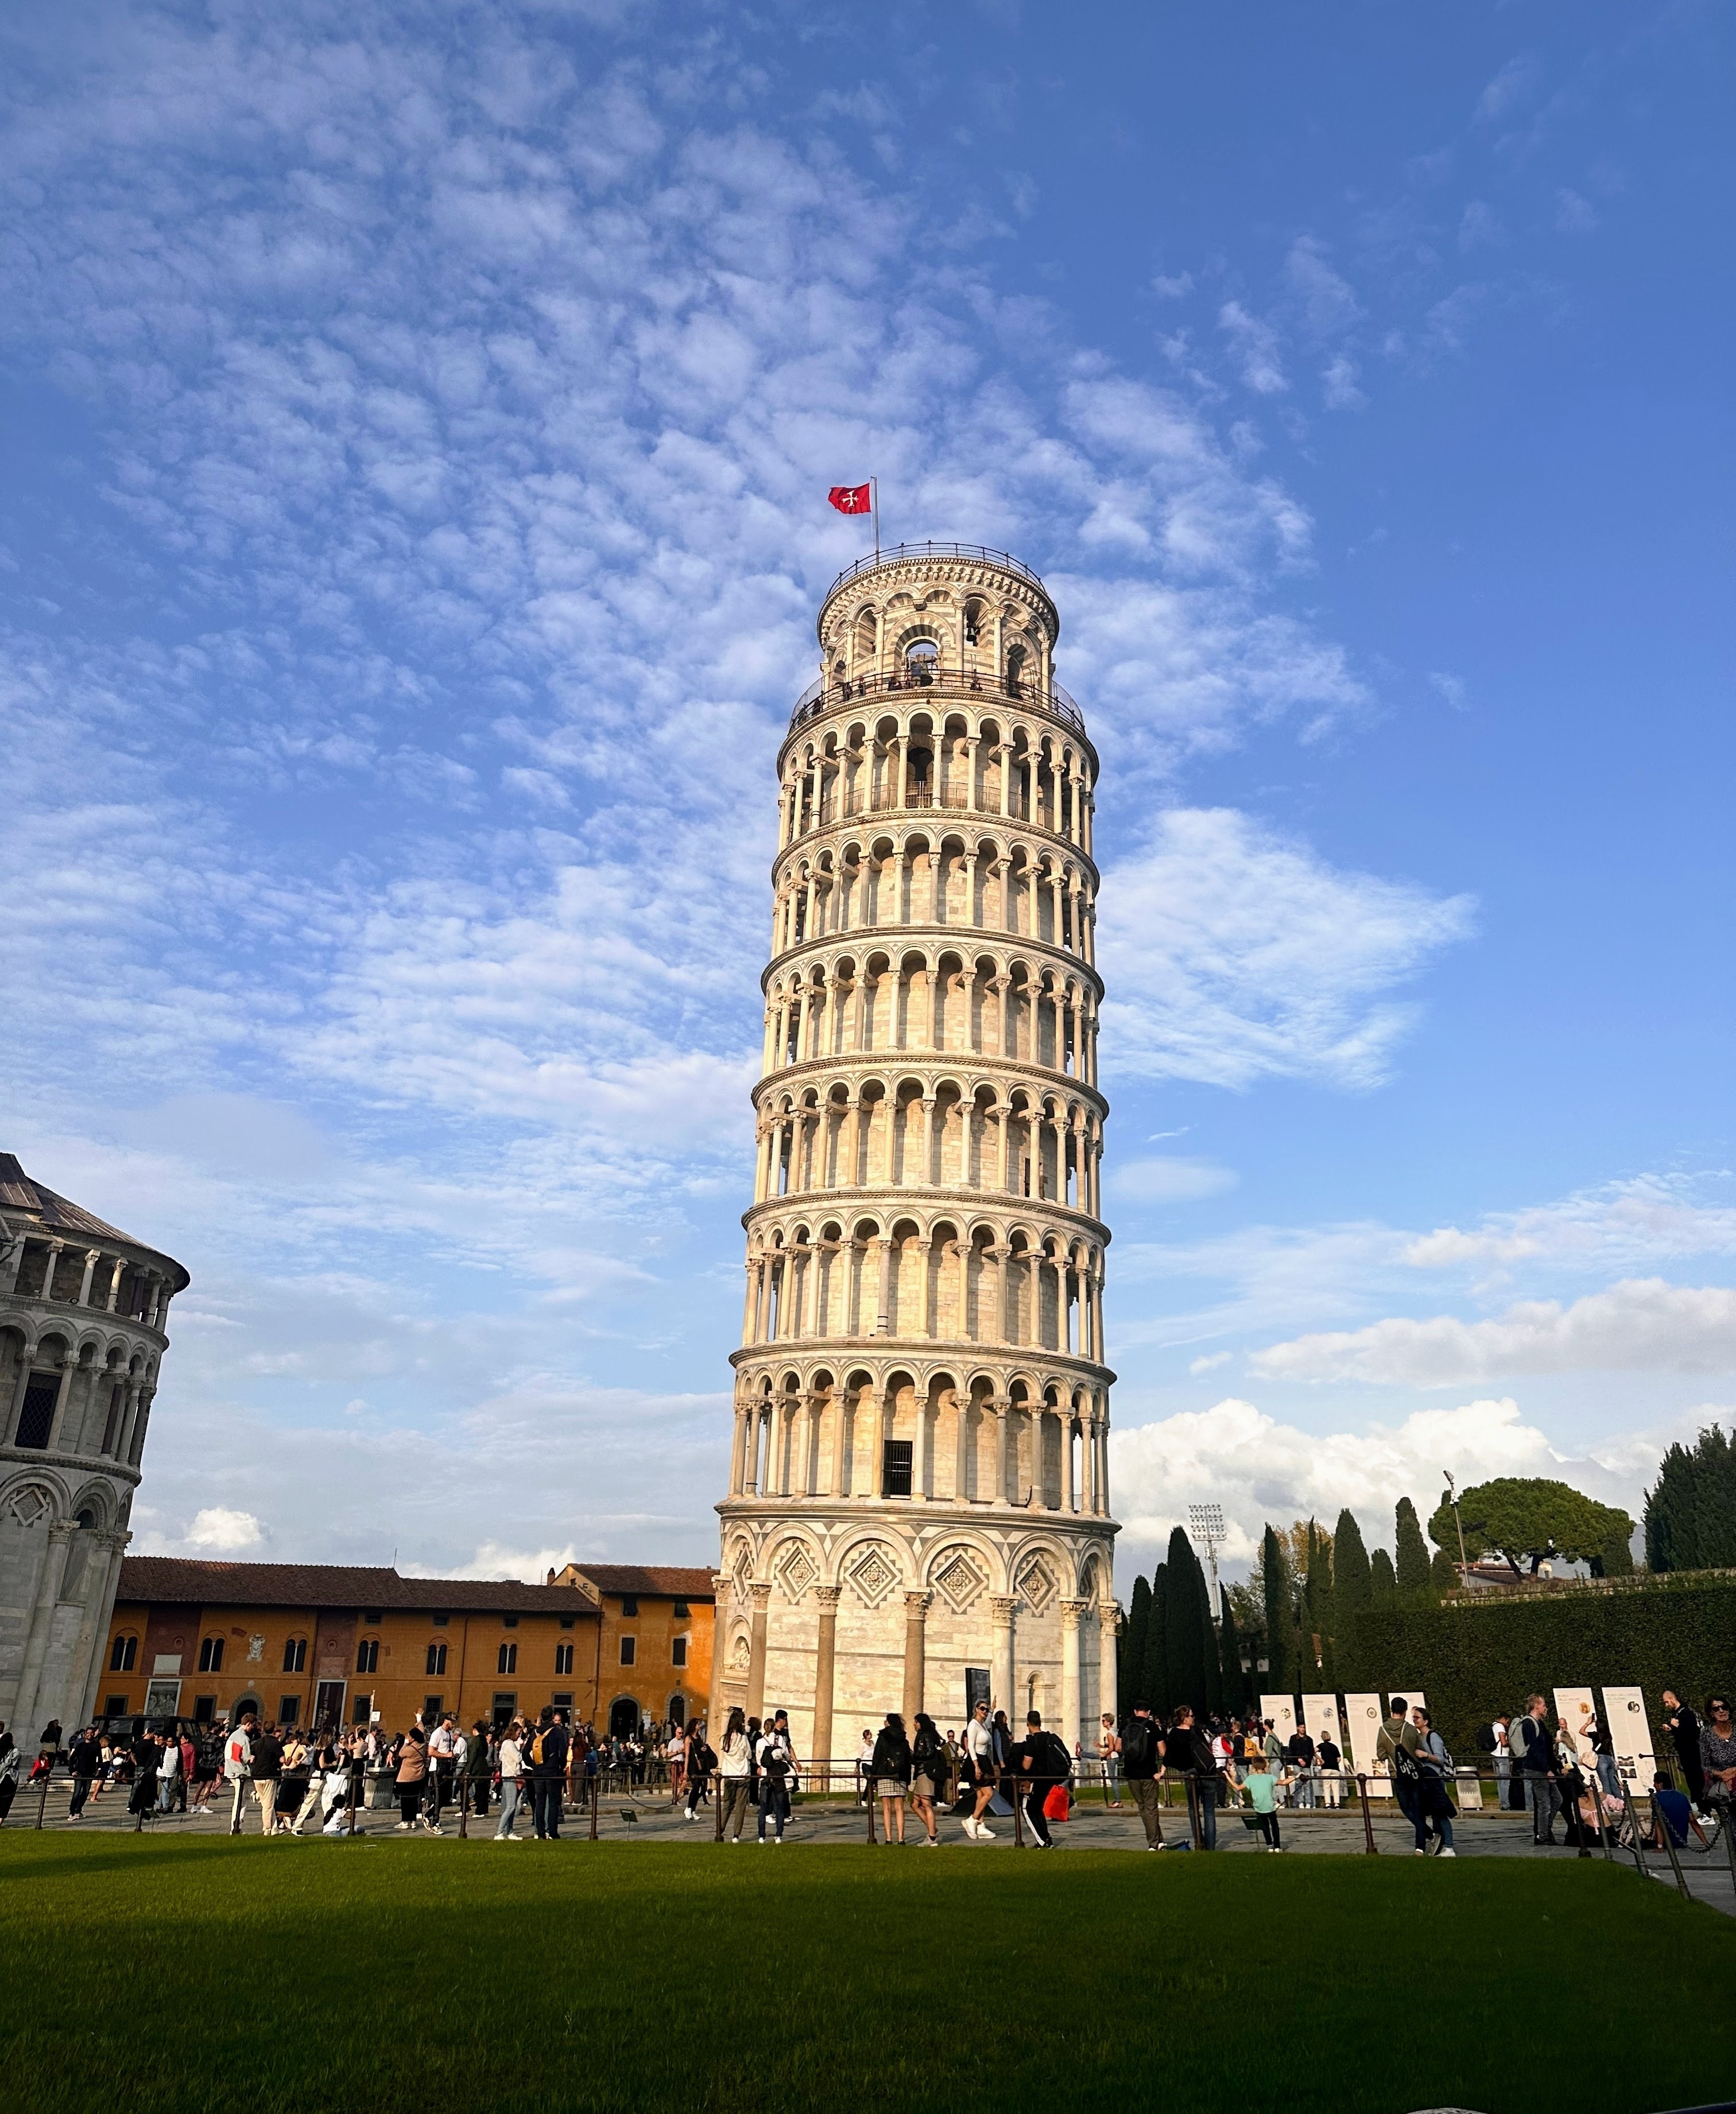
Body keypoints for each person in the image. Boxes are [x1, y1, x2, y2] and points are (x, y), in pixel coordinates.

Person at [1015, 1709, 1071, 1849]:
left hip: (1036, 1780)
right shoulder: (1048, 1737)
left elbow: (1027, 1765)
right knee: (1038, 1809)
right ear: (1040, 1722)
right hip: (1049, 1779)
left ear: (1028, 1724)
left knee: (1026, 1808)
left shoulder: (1032, 1742)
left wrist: (1019, 1764)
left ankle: (1042, 1841)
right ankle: (1046, 1838)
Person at [1511, 1694, 1560, 1845]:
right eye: (1544, 1704)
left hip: (1542, 1767)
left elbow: (1545, 1749)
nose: (1546, 1708)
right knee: (1544, 1803)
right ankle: (1543, 1835)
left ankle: (1545, 1830)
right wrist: (1547, 1770)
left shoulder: (1539, 1723)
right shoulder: (1529, 1724)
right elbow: (1536, 1749)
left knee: (1557, 1799)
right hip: (1536, 1768)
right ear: (1536, 1706)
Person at [1167, 1706, 1216, 1850]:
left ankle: (1199, 1842)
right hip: (1208, 1773)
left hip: (1191, 1773)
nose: (1194, 1718)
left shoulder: (1175, 1733)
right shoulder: (1197, 1732)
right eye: (1192, 1715)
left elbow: (1172, 1755)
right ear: (1185, 1718)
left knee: (1193, 1809)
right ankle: (1211, 1847)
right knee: (1209, 1811)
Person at [1119, 1701, 1165, 1851]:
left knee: (1143, 1807)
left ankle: (1159, 1840)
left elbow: (1119, 1748)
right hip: (1149, 1772)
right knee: (1151, 1807)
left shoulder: (1125, 1726)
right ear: (1149, 1712)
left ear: (1135, 1711)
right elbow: (1163, 1752)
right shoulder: (1152, 1727)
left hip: (1131, 1772)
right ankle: (1153, 1843)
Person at [1413, 1708, 1457, 1857]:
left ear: (1426, 1721)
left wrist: (1425, 1755)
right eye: (1413, 1717)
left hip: (1435, 1780)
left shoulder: (1433, 1737)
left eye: (1417, 1717)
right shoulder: (1419, 1737)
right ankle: (1442, 1845)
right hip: (1427, 1780)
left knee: (1441, 1813)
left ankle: (1449, 1847)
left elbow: (1440, 1759)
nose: (1415, 1720)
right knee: (1436, 1815)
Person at [870, 1712, 913, 1844]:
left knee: (886, 1808)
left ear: (889, 1723)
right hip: (899, 1776)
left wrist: (874, 1777)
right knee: (900, 1808)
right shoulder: (903, 1738)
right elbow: (907, 1759)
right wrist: (907, 1779)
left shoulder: (883, 1737)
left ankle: (889, 1838)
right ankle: (901, 1839)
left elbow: (877, 1757)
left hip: (884, 1774)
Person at [528, 1706, 569, 1840]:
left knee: (540, 1803)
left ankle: (540, 1832)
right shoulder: (557, 1732)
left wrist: (534, 1765)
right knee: (553, 1803)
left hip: (538, 1773)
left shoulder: (535, 1732)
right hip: (553, 1772)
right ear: (552, 1717)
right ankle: (552, 1832)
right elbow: (563, 1752)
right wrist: (561, 1766)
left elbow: (524, 1753)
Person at [1661, 1690, 1707, 1810]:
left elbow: (1694, 1732)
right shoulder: (1676, 1713)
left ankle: (1705, 1809)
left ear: (1672, 1699)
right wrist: (1671, 1729)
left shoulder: (1686, 1713)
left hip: (1692, 1752)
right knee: (1691, 1780)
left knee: (1696, 1779)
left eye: (1667, 1702)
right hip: (1685, 1751)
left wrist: (1677, 1726)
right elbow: (1682, 1733)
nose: (1666, 1705)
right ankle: (1699, 1805)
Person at [960, 1697, 998, 1841]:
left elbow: (989, 1722)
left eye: (986, 1709)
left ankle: (981, 1825)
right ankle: (972, 1819)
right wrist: (976, 1766)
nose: (985, 1711)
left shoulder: (983, 1725)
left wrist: (993, 1710)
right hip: (976, 1760)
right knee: (988, 1793)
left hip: (984, 1760)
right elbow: (970, 1746)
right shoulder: (973, 1725)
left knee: (981, 1794)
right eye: (982, 1709)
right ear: (976, 1709)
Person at [757, 1711, 798, 1844]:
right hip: (778, 1776)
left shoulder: (760, 1742)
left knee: (763, 1807)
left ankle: (762, 1837)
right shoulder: (780, 1739)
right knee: (780, 1806)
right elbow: (786, 1754)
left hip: (765, 1775)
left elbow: (759, 1760)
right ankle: (779, 1835)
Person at [1648, 1771, 1709, 1852]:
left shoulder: (1657, 1798)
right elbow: (1692, 1820)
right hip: (1682, 1842)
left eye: (1655, 1783)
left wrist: (1660, 1846)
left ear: (1661, 1784)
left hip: (1666, 1843)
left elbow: (1658, 1824)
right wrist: (1706, 1843)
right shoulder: (1682, 1796)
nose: (1654, 1786)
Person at [1238, 1752, 1289, 1849]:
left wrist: (1227, 1777)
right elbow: (1283, 1782)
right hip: (1270, 1807)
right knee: (1275, 1826)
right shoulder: (1270, 1777)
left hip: (1259, 1807)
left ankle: (1269, 1845)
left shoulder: (1250, 1779)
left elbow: (1238, 1788)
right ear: (1265, 1767)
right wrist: (1296, 1777)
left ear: (1254, 1767)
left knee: (1265, 1826)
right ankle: (1277, 1847)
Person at [717, 1706, 753, 1841]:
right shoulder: (743, 1739)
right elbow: (749, 1755)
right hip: (743, 1774)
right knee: (740, 1806)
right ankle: (736, 1835)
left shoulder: (724, 1739)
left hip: (728, 1774)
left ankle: (720, 1830)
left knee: (727, 1804)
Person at [910, 1711, 944, 1848]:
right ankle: (932, 1829)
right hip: (921, 1772)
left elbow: (929, 1753)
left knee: (926, 1804)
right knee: (915, 1804)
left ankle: (932, 1837)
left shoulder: (925, 1735)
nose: (914, 1724)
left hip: (925, 1772)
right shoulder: (923, 1735)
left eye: (916, 1722)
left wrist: (915, 1756)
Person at [394, 1724, 433, 1832]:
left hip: (407, 1777)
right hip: (418, 1776)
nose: (408, 1738)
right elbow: (421, 1731)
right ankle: (413, 1821)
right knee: (414, 1799)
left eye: (410, 1737)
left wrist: (406, 1743)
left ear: (414, 1738)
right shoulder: (422, 1745)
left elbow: (401, 1753)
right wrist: (419, 1719)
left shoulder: (410, 1749)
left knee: (405, 1800)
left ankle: (405, 1822)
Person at [1701, 1695, 1736, 1816]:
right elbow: (1705, 1765)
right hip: (1722, 1787)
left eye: (1724, 1707)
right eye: (1716, 1709)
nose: (1721, 1711)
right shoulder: (1706, 1735)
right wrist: (1723, 1775)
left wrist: (1733, 1772)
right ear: (1711, 1714)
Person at [223, 1713, 255, 1834]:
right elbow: (246, 1757)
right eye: (252, 1726)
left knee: (240, 1798)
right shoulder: (244, 1738)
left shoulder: (233, 1735)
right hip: (240, 1771)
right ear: (248, 1724)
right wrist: (252, 1758)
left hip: (230, 1769)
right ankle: (237, 1826)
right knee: (241, 1800)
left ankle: (237, 1826)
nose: (252, 1728)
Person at [494, 1718, 525, 1840]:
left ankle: (510, 1831)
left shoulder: (507, 1744)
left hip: (511, 1776)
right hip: (510, 1777)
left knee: (511, 1807)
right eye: (518, 1733)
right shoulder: (509, 1744)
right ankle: (499, 1832)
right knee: (511, 1806)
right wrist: (524, 1750)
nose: (519, 1736)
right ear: (513, 1732)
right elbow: (518, 1758)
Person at [65, 1725, 101, 1819]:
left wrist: (99, 1769)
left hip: (90, 1772)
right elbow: (72, 1759)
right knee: (77, 1792)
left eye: (92, 1733)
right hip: (80, 1772)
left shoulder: (96, 1745)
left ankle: (78, 1810)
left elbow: (100, 1758)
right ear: (85, 1734)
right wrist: (72, 1771)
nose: (90, 1735)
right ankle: (72, 1812)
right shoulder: (81, 1745)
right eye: (88, 1733)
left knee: (85, 1793)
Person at [428, 1715, 458, 1825]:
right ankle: (434, 1820)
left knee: (446, 1797)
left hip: (447, 1767)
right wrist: (446, 1755)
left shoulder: (449, 1733)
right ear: (446, 1721)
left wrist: (452, 1755)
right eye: (452, 1722)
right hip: (437, 1767)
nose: (454, 1725)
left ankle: (430, 1815)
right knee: (438, 1795)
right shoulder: (437, 1733)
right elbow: (431, 1752)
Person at [465, 1720, 493, 1819]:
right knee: (483, 1789)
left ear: (475, 1730)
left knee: (469, 1787)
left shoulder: (476, 1740)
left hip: (476, 1767)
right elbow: (485, 1752)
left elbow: (473, 1755)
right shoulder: (484, 1740)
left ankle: (470, 1808)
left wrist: (468, 1769)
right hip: (483, 1766)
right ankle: (482, 1809)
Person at [155, 1724, 182, 1814]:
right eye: (168, 1741)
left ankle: (167, 1806)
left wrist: (180, 1773)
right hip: (164, 1772)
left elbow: (180, 1761)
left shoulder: (178, 1749)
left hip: (173, 1772)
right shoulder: (163, 1749)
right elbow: (158, 1760)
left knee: (172, 1789)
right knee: (164, 1790)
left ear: (174, 1742)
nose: (168, 1743)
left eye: (170, 1741)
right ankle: (164, 1807)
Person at [1316, 1727, 1343, 1809]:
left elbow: (1314, 1750)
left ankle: (1327, 1804)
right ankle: (1337, 1803)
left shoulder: (1322, 1746)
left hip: (1326, 1767)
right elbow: (1339, 1759)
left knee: (1326, 1786)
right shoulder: (1334, 1746)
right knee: (1335, 1786)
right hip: (1335, 1768)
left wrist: (1320, 1759)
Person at [1099, 1713, 1122, 1807]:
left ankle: (1118, 1801)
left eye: (1103, 1721)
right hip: (1115, 1756)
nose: (1102, 1722)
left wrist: (1104, 1753)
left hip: (1112, 1757)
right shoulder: (1114, 1731)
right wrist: (1101, 1746)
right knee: (1096, 1755)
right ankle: (1082, 1753)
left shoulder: (1109, 1733)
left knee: (1113, 1780)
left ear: (1108, 1722)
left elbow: (1112, 1748)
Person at [0, 1727, 19, 1828]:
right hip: (9, 1778)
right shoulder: (15, 1752)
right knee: (6, 1802)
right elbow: (15, 1764)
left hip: (2, 1777)